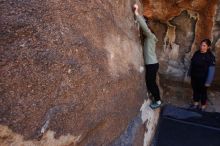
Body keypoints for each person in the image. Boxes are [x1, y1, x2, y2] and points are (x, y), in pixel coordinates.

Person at [133, 4, 162, 109]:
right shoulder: (149, 38)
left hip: (152, 64)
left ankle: (158, 101)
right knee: (152, 82)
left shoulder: (150, 36)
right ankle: (157, 98)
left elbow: (145, 27)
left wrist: (136, 14)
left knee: (150, 83)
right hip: (152, 64)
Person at [188, 39, 216, 111]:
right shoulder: (197, 53)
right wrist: (189, 73)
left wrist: (208, 82)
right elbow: (192, 64)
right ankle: (196, 104)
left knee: (203, 92)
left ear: (208, 47)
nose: (202, 47)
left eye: (204, 45)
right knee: (195, 90)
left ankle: (203, 106)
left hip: (204, 78)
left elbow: (211, 70)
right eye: (201, 45)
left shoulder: (210, 57)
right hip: (195, 76)